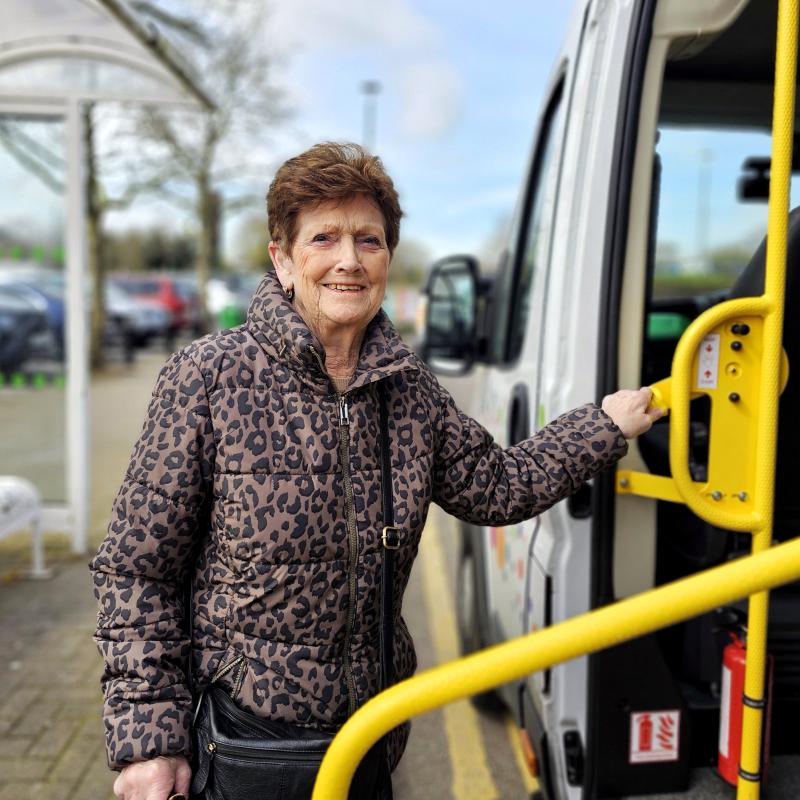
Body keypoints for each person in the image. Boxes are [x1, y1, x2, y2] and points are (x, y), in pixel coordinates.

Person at [91, 141, 662, 800]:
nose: (347, 260)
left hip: (372, 730)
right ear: (282, 258)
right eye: (323, 238)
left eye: (369, 240)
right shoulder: (209, 376)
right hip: (248, 741)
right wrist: (151, 742)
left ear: (388, 258)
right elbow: (136, 569)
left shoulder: (410, 390)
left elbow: (498, 485)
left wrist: (603, 426)